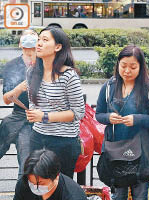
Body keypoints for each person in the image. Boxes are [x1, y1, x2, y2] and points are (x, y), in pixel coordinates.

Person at [95, 45, 149, 200]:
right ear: (118, 64)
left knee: (140, 194)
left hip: (142, 152)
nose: (127, 71)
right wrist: (108, 117)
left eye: (133, 67)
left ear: (141, 67)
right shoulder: (108, 87)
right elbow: (98, 115)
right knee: (118, 194)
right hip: (115, 150)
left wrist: (137, 119)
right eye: (123, 66)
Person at [26, 26, 85, 179]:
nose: (38, 43)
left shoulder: (69, 75)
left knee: (61, 186)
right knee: (36, 182)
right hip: (37, 137)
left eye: (45, 40)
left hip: (64, 141)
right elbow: (33, 104)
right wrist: (33, 114)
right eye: (38, 39)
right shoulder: (31, 72)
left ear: (58, 47)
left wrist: (45, 116)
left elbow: (78, 112)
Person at [0, 29, 38, 179]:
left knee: (27, 162)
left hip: (41, 119)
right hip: (18, 116)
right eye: (26, 39)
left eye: (34, 39)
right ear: (20, 44)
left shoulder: (46, 64)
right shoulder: (12, 66)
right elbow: (6, 99)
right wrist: (18, 89)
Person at [13, 149, 88, 200]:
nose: (35, 187)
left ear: (56, 176)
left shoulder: (73, 196)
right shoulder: (24, 184)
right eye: (32, 183)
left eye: (42, 183)